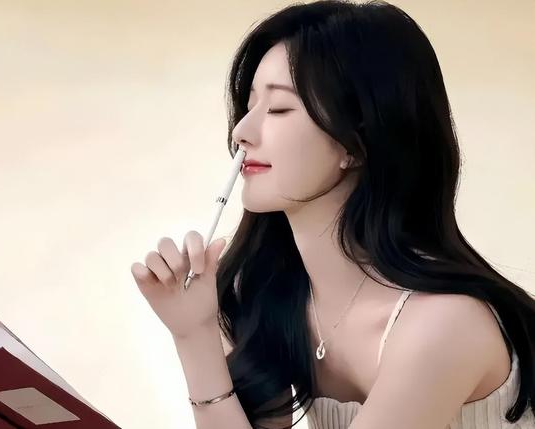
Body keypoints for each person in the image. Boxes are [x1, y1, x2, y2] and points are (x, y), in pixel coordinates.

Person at [130, 1, 535, 428]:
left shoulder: (443, 324)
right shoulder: (268, 292)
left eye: (279, 108)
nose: (241, 132)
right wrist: (194, 334)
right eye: (248, 106)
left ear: (356, 144)